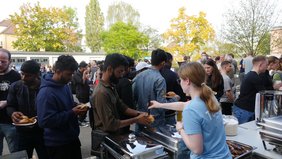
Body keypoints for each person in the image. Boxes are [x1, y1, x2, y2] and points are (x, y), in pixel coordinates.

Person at [149, 62, 231, 159]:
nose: (180, 83)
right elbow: (183, 105)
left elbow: (196, 149)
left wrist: (180, 129)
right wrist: (160, 105)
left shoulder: (191, 110)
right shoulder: (210, 98)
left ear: (187, 81)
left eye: (180, 80)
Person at [36, 55, 87, 159]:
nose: (71, 77)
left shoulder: (64, 85)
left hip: (71, 138)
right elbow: (44, 121)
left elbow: (66, 105)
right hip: (57, 144)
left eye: (72, 74)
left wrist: (76, 106)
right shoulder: (46, 93)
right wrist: (72, 112)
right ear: (58, 71)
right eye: (69, 74)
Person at [92, 53, 150, 134]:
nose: (122, 75)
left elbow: (122, 107)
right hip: (107, 138)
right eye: (120, 71)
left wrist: (140, 113)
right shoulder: (101, 92)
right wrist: (137, 119)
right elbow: (110, 124)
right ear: (109, 69)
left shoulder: (111, 86)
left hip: (117, 134)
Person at [6, 60, 48, 159]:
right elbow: (10, 105)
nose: (23, 78)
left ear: (37, 74)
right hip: (22, 133)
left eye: (28, 75)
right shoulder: (15, 86)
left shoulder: (46, 87)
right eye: (22, 74)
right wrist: (13, 113)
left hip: (43, 133)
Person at [133, 49, 179, 132]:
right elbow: (162, 105)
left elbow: (133, 97)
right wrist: (175, 98)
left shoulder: (139, 76)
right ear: (163, 63)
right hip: (155, 122)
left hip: (141, 118)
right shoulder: (159, 79)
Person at [233, 56, 268, 124]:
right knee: (243, 132)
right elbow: (264, 94)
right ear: (260, 64)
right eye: (266, 64)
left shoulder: (251, 75)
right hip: (244, 110)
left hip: (244, 109)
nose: (267, 67)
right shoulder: (254, 77)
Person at [0, 48, 21, 155]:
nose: (0, 64)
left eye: (3, 61)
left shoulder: (16, 76)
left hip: (11, 122)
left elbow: (21, 97)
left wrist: (6, 102)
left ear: (10, 61)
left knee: (15, 152)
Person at [160, 52, 187, 125]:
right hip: (170, 113)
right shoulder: (173, 75)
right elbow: (182, 99)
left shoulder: (152, 75)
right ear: (169, 61)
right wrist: (179, 120)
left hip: (154, 114)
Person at [72, 61, 90, 127]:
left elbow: (87, 82)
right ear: (82, 67)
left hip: (86, 92)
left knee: (86, 106)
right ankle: (80, 120)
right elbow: (82, 82)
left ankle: (83, 119)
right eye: (85, 67)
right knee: (82, 107)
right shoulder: (76, 74)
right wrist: (84, 75)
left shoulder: (83, 73)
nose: (86, 69)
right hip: (81, 93)